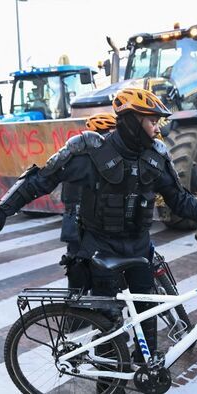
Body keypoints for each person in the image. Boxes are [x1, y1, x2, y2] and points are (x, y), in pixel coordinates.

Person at [0, 88, 197, 363]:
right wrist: (1, 212)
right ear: (131, 120)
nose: (157, 128)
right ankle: (108, 383)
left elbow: (181, 201)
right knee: (109, 327)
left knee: (147, 319)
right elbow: (40, 180)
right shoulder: (89, 151)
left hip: (139, 250)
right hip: (100, 253)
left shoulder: (157, 155)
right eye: (152, 121)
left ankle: (145, 371)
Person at [60, 113, 117, 293]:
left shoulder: (75, 153)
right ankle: (100, 315)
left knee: (78, 275)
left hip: (72, 222)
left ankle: (78, 315)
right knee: (100, 273)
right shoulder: (98, 157)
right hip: (87, 224)